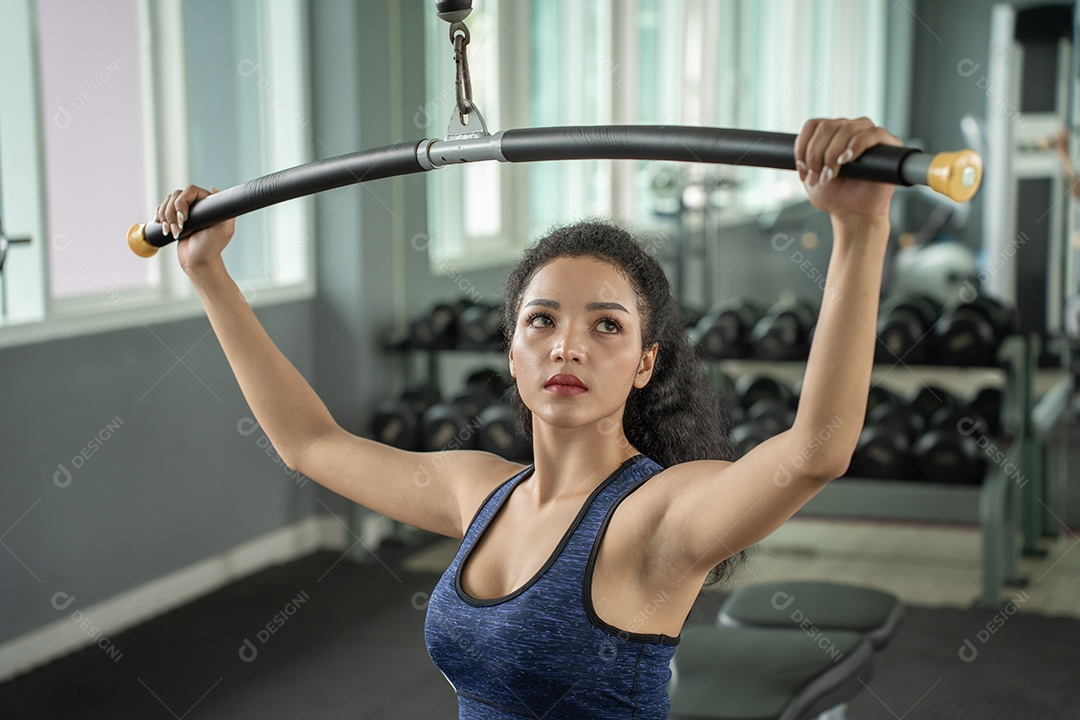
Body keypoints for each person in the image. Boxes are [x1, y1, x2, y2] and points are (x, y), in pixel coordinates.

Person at [155, 116, 901, 719]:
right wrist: (208, 274)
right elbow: (309, 443)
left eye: (606, 325)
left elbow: (815, 453)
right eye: (541, 321)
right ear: (512, 354)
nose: (567, 344)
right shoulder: (478, 492)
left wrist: (859, 231)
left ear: (646, 363)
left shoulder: (658, 517)